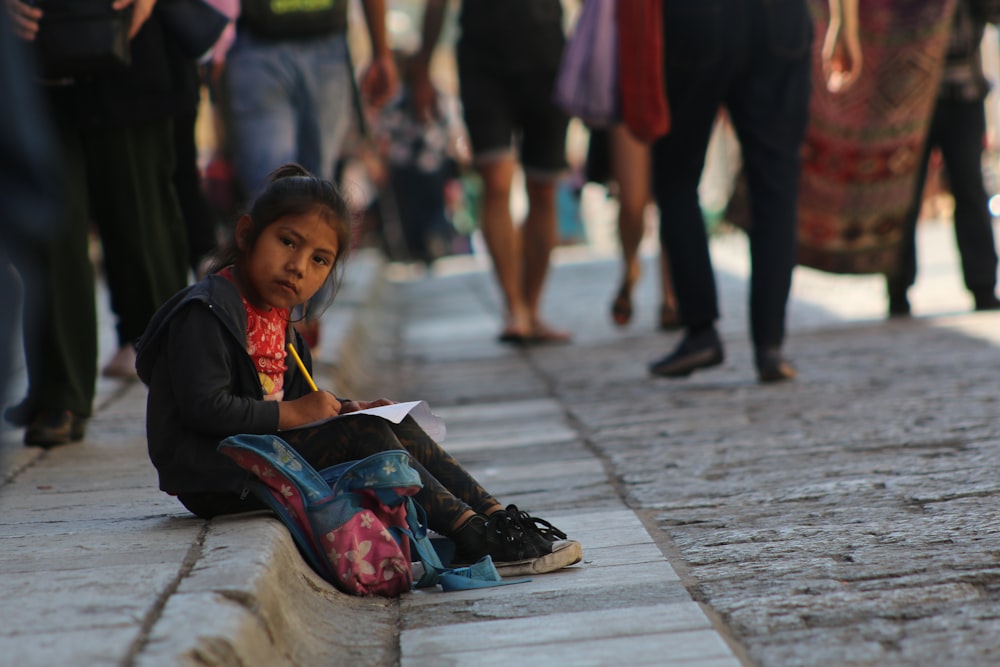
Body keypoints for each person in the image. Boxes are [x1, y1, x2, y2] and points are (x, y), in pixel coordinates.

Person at [134, 164, 583, 576]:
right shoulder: (207, 312)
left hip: (262, 457)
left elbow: (292, 403)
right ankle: (471, 536)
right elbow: (205, 409)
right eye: (287, 242)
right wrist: (297, 414)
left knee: (386, 422)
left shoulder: (276, 318)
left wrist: (347, 409)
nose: (297, 266)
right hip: (215, 477)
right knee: (368, 438)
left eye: (319, 260)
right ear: (248, 234)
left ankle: (498, 518)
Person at [4, 0, 190, 444]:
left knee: (145, 233)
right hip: (35, 69)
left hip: (130, 54)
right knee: (51, 236)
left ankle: (191, 390)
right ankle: (59, 394)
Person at [648, 0, 862, 382]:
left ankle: (700, 329)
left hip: (697, 21)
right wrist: (845, 22)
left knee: (676, 178)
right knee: (777, 182)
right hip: (779, 19)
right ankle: (770, 344)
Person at [411, 0, 571, 344]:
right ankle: (514, 307)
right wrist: (422, 66)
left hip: (548, 57)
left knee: (543, 189)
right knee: (496, 182)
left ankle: (532, 307)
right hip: (483, 59)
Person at [885, 0, 1000, 317]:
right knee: (903, 195)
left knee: (969, 187)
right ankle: (897, 288)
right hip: (907, 99)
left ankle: (982, 284)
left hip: (962, 91)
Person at [588, 125, 680, 330]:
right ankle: (630, 268)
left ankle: (671, 294)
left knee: (675, 195)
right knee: (632, 203)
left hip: (680, 96)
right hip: (633, 99)